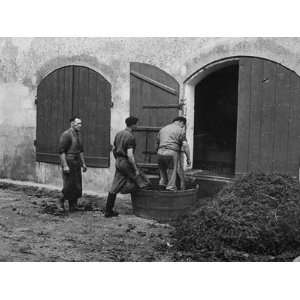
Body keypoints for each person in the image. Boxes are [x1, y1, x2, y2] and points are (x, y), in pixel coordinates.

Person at [104, 116, 150, 218]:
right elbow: (130, 155)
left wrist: (118, 160)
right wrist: (135, 169)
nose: (137, 126)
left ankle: (108, 211)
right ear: (133, 125)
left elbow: (114, 150)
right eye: (136, 124)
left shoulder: (119, 134)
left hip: (118, 161)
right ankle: (146, 209)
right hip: (126, 162)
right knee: (142, 181)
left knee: (115, 186)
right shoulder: (130, 137)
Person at [57, 116, 87, 212]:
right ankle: (60, 202)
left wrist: (83, 163)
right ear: (72, 124)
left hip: (76, 162)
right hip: (69, 161)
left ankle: (73, 205)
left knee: (77, 185)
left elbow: (81, 151)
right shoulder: (66, 135)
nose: (80, 125)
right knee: (68, 185)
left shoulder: (79, 134)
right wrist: (65, 165)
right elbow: (61, 152)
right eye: (78, 123)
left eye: (80, 123)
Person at [156, 116, 191, 191]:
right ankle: (170, 191)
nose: (183, 126)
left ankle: (161, 189)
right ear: (181, 122)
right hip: (171, 153)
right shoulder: (180, 130)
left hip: (160, 153)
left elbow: (157, 143)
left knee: (163, 173)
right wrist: (188, 158)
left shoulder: (163, 129)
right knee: (172, 173)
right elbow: (185, 145)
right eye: (183, 125)